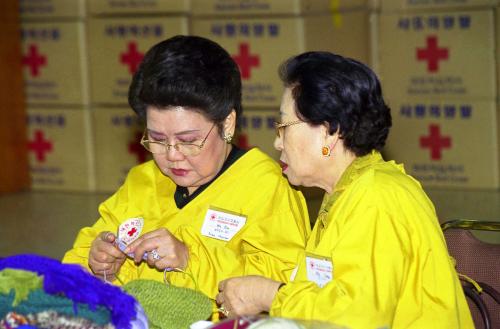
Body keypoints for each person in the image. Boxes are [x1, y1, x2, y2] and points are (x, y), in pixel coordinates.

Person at [216, 52, 474, 328]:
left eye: (284, 126)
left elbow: (355, 319)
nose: (278, 143)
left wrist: (267, 294)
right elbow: (324, 291)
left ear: (329, 131)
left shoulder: (379, 197)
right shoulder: (342, 194)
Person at [62, 36, 310, 309]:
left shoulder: (265, 188)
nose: (171, 155)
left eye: (189, 140)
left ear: (227, 123)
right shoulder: (143, 182)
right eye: (156, 138)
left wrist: (189, 259)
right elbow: (78, 260)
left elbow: (286, 287)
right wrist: (97, 262)